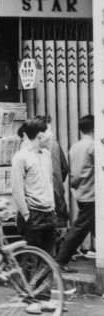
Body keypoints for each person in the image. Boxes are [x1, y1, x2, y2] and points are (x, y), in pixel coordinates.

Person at [11, 117, 58, 256]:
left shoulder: (47, 154)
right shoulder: (20, 157)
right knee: (31, 261)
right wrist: (26, 215)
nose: (52, 135)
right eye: (50, 131)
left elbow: (49, 183)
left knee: (48, 260)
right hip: (33, 215)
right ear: (40, 135)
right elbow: (17, 189)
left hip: (49, 213)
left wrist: (53, 208)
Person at [57, 115, 95, 272]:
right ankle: (61, 259)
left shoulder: (75, 147)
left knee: (92, 226)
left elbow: (73, 172)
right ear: (94, 129)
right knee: (80, 228)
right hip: (92, 194)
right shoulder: (93, 146)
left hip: (80, 193)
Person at [39, 115, 71, 225]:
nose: (52, 134)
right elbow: (64, 168)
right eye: (49, 130)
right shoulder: (53, 144)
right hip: (56, 196)